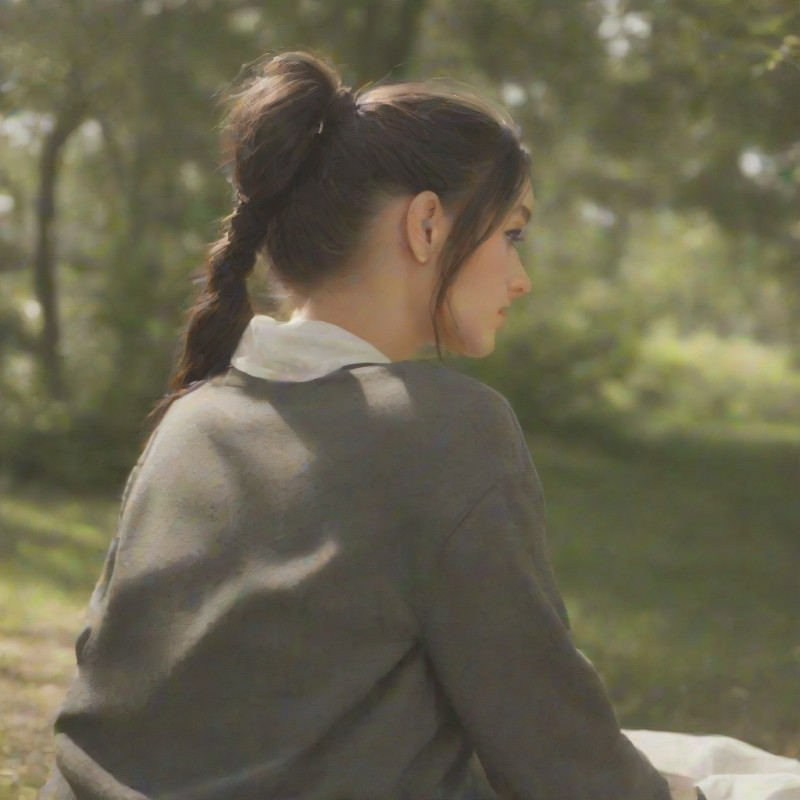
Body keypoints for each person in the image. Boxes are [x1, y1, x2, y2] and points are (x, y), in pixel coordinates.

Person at [40, 50, 718, 800]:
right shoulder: (446, 428)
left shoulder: (193, 417)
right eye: (512, 235)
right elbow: (552, 745)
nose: (521, 278)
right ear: (427, 224)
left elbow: (120, 678)